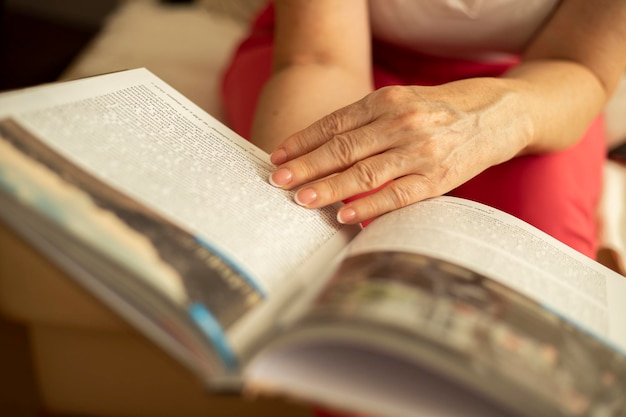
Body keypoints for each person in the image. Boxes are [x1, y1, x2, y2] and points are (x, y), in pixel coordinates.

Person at [222, 0, 626, 262]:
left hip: (539, 81)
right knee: (318, 242)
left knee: (541, 265)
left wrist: (488, 120)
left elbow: (581, 65)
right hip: (331, 48)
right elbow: (321, 57)